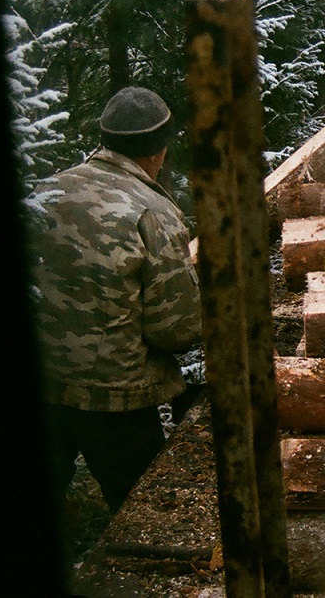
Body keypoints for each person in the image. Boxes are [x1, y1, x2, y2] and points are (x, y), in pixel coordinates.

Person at [25, 85, 203, 520]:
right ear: (159, 150)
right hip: (116, 399)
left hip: (45, 381)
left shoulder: (45, 191)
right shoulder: (151, 212)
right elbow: (176, 329)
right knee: (144, 519)